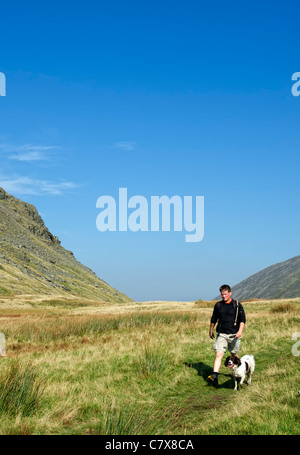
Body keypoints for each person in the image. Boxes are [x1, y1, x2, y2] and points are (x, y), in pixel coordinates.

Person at [207, 284, 246, 386]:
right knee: (219, 354)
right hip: (222, 334)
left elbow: (242, 320)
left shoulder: (237, 305)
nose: (223, 296)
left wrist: (240, 331)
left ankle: (240, 371)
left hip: (234, 335)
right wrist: (211, 329)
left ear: (230, 293)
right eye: (221, 295)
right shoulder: (218, 305)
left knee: (234, 354)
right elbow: (214, 318)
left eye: (225, 294)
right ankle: (215, 376)